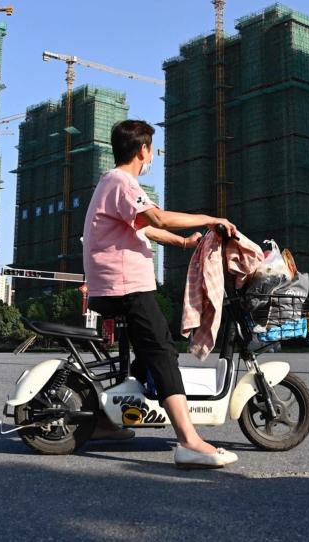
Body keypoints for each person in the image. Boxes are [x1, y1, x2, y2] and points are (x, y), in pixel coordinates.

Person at [83, 119, 240, 469]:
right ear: (143, 150)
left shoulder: (114, 184)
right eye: (151, 148)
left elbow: (146, 229)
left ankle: (105, 422)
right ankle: (189, 441)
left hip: (117, 284)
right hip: (125, 286)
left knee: (152, 350)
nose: (151, 154)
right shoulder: (123, 182)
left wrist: (185, 242)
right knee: (162, 353)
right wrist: (210, 219)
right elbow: (160, 218)